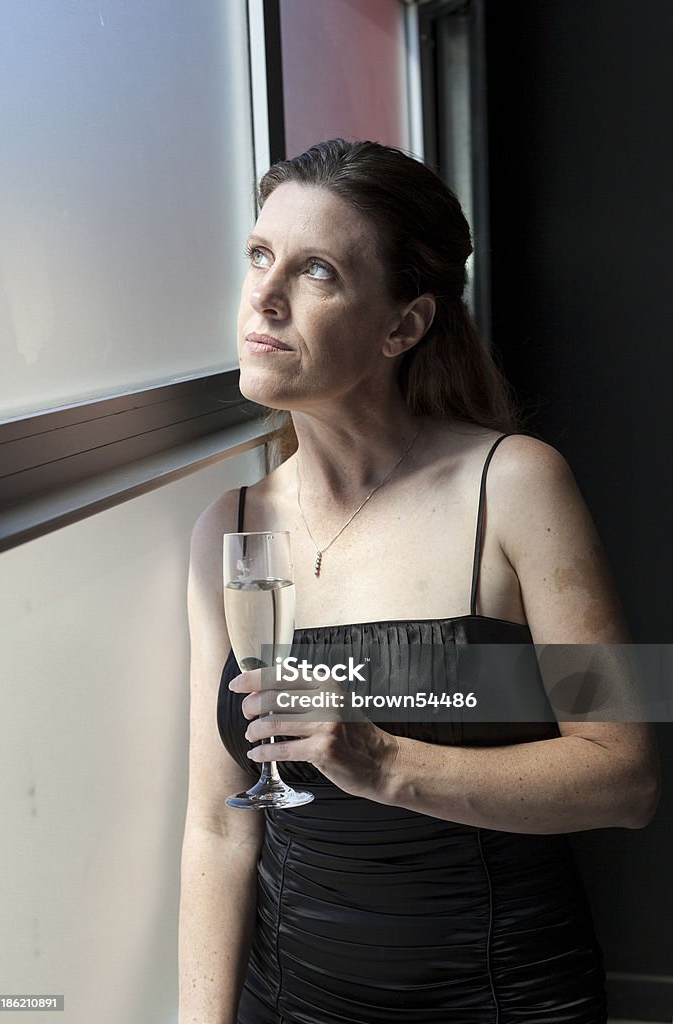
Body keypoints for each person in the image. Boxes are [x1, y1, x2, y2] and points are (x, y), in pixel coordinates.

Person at [178, 139, 660, 1024]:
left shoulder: (517, 483)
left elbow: (625, 775)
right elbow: (218, 822)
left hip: (498, 996)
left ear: (403, 325)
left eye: (315, 271)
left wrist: (385, 759)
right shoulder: (229, 525)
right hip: (286, 1002)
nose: (264, 295)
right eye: (259, 256)